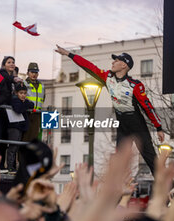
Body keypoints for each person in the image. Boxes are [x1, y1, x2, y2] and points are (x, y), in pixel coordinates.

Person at [55, 45, 164, 174]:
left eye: (117, 60)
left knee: (151, 159)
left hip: (137, 124)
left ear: (124, 65)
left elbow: (147, 107)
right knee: (119, 163)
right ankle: (117, 192)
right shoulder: (107, 78)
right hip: (122, 125)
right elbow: (89, 67)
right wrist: (69, 54)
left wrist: (158, 127)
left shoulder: (135, 85)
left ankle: (164, 189)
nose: (113, 62)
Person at [7, 83, 34, 173]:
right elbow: (18, 109)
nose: (23, 95)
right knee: (13, 147)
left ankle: (13, 166)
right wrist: (26, 103)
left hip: (19, 127)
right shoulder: (15, 100)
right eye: (21, 93)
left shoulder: (22, 101)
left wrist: (26, 104)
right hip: (14, 126)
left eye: (25, 93)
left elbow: (32, 105)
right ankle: (10, 166)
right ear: (16, 93)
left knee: (16, 147)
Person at [22, 62, 45, 142]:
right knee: (25, 137)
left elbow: (43, 98)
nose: (34, 74)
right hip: (27, 113)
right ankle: (22, 154)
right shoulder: (24, 83)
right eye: (32, 72)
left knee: (34, 138)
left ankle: (31, 154)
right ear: (28, 73)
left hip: (37, 114)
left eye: (36, 72)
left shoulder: (42, 85)